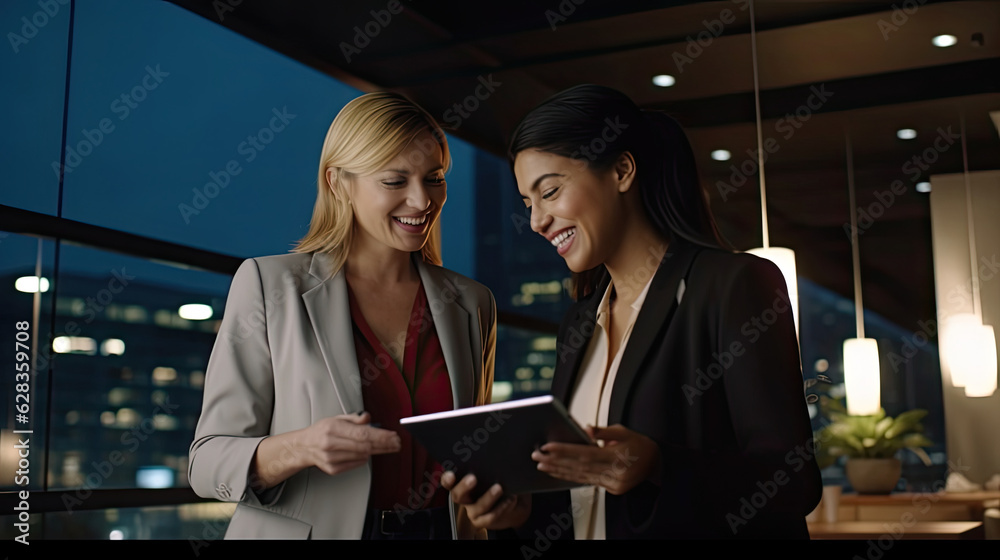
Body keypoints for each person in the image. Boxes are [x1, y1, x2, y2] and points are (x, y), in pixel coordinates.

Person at [442, 84, 822, 539]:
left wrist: (658, 464)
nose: (537, 221)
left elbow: (793, 482)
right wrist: (520, 515)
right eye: (528, 203)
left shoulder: (732, 285)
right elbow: (587, 506)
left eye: (551, 191)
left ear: (621, 170)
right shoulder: (580, 325)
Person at [188, 92, 496, 540]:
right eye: (395, 181)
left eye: (435, 178)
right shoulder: (269, 285)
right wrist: (301, 447)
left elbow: (473, 451)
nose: (422, 199)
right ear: (338, 183)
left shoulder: (473, 303)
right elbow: (207, 463)